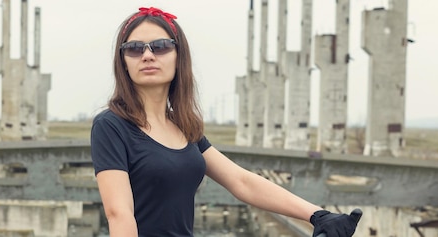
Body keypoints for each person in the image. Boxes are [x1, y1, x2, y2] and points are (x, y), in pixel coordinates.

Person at [90, 6, 361, 237]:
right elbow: (119, 214)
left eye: (160, 46)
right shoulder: (111, 126)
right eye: (135, 49)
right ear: (123, 61)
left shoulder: (183, 127)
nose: (148, 55)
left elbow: (241, 182)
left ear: (178, 57)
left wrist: (317, 215)